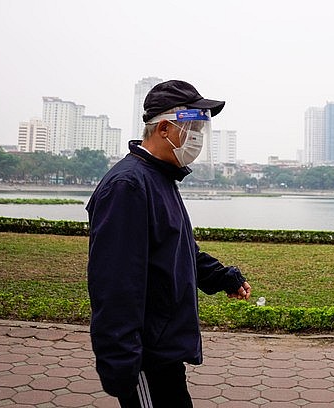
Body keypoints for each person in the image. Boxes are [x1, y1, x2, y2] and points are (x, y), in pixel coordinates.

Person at [86, 80, 252, 408]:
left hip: (164, 351)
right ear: (164, 128)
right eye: (193, 129)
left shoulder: (159, 177)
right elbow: (115, 283)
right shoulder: (129, 186)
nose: (198, 139)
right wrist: (120, 362)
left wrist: (221, 277)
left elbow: (177, 249)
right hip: (145, 357)